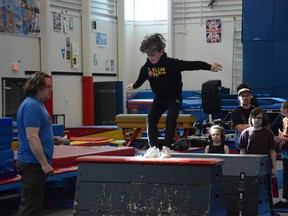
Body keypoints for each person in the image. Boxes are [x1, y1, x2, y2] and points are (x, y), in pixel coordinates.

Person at [126, 33, 222, 158]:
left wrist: (208, 66)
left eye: (153, 54)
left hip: (174, 97)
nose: (151, 58)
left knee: (170, 119)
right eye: (148, 55)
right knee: (151, 118)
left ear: (161, 52)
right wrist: (134, 86)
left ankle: (166, 148)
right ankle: (153, 148)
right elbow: (140, 80)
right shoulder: (146, 68)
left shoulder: (171, 64)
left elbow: (191, 65)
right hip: (160, 97)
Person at [16, 72, 62, 216]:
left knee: (34, 207)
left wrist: (51, 138)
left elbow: (35, 133)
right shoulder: (32, 106)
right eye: (48, 87)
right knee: (30, 208)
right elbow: (32, 138)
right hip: (33, 164)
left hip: (33, 164)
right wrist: (44, 164)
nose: (51, 90)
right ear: (38, 87)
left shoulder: (36, 104)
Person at [238, 108, 277, 178]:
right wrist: (242, 166)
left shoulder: (268, 133)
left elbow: (272, 151)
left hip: (265, 164)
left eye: (259, 118)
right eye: (254, 117)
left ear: (263, 119)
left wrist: (274, 168)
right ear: (251, 119)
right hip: (249, 164)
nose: (256, 120)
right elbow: (242, 151)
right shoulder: (245, 133)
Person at [231, 86, 255, 150]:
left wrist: (245, 125)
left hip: (256, 143)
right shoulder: (235, 112)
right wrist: (254, 125)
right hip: (242, 144)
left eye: (247, 95)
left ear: (251, 97)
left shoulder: (256, 111)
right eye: (243, 96)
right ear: (239, 98)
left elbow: (263, 126)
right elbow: (241, 129)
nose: (245, 98)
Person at [274, 101, 288, 208]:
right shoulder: (284, 120)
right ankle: (285, 198)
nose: (280, 110)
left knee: (286, 176)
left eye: (281, 108)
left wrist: (282, 138)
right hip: (285, 151)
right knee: (285, 175)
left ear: (286, 109)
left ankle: (285, 199)